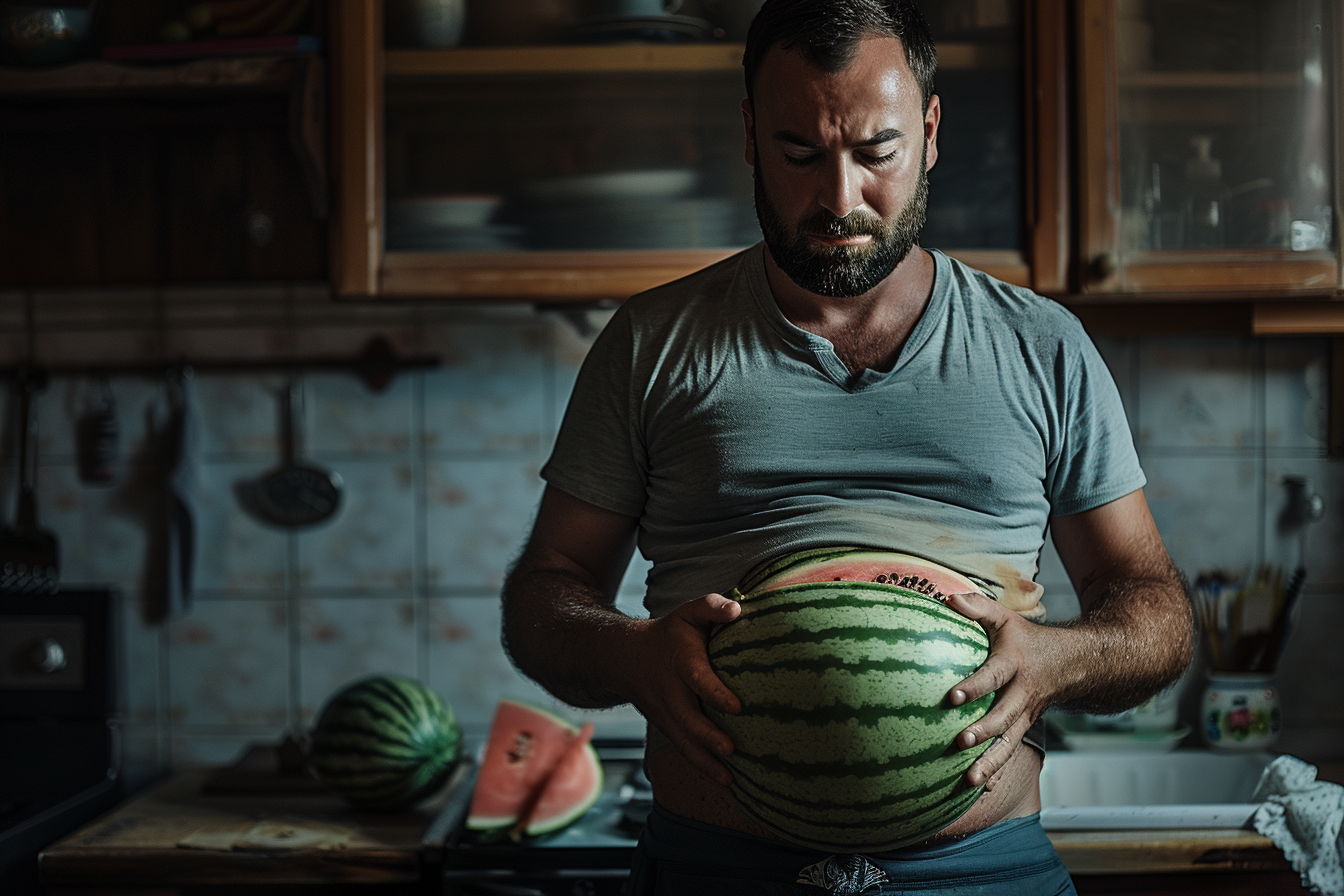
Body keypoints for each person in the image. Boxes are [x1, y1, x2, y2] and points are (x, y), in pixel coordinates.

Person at [501, 0, 1194, 892]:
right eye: (800, 153)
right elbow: (544, 593)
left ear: (931, 132)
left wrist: (1061, 659)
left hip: (982, 876)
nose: (840, 198)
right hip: (717, 871)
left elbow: (1154, 610)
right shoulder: (652, 342)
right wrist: (629, 654)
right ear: (751, 136)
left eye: (878, 153)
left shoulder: (1044, 348)